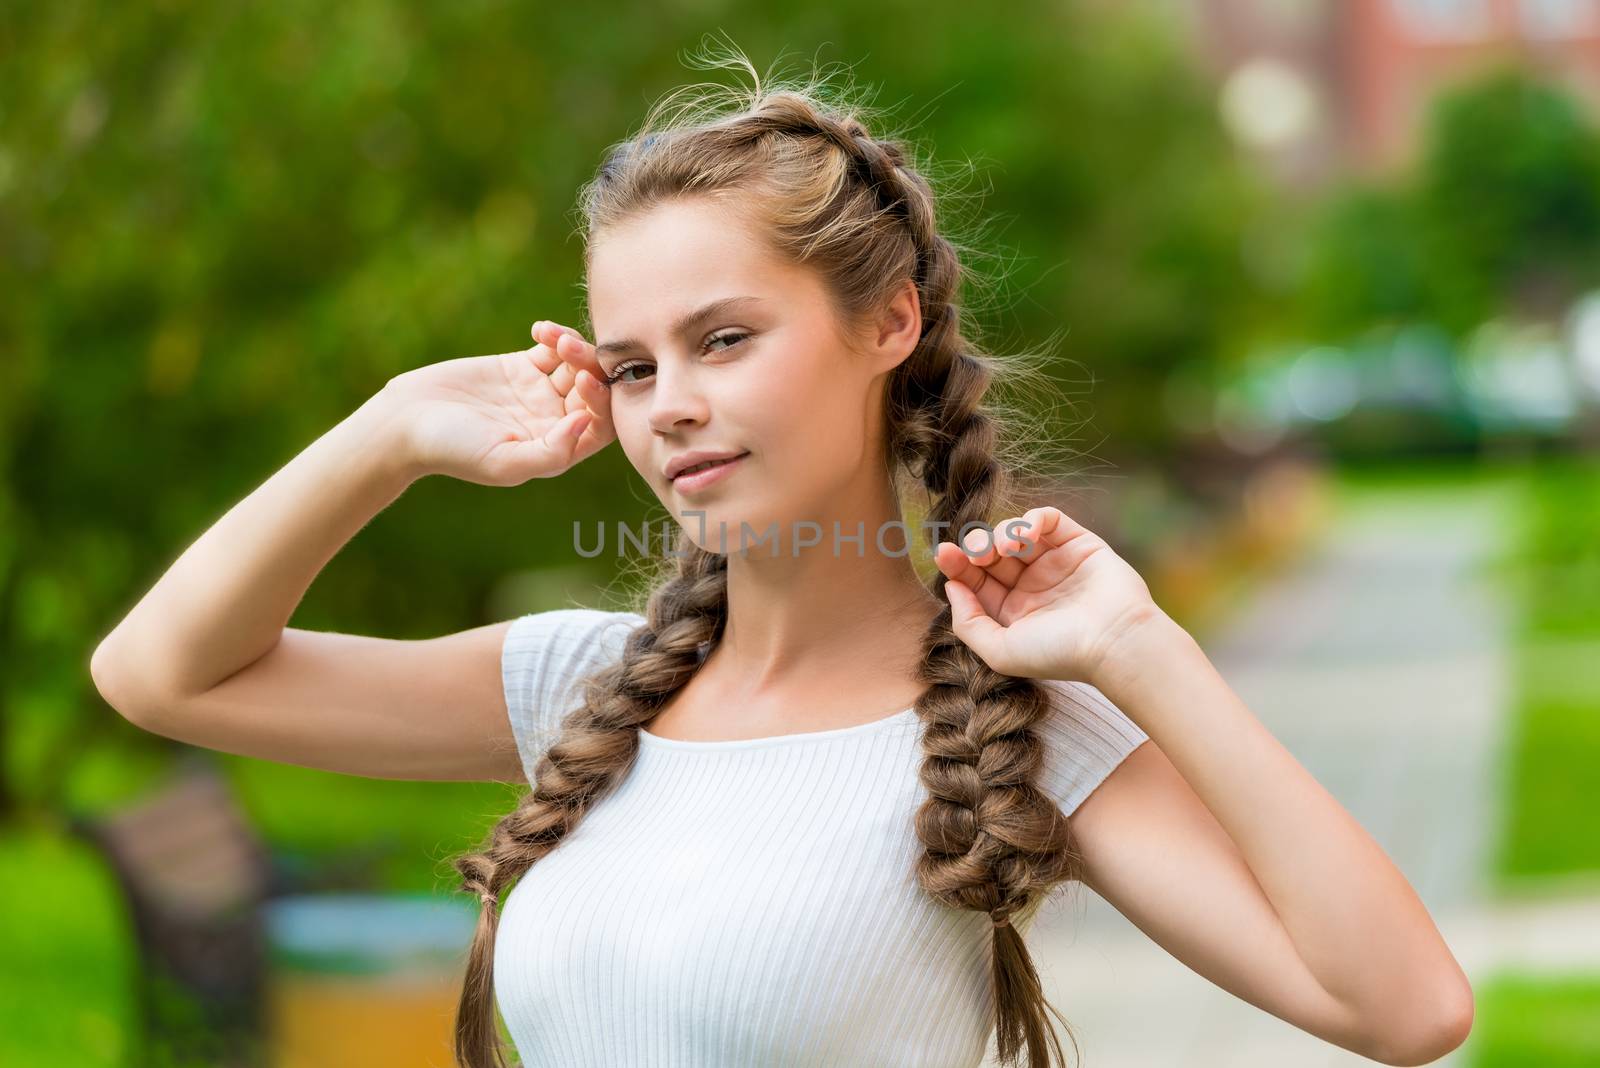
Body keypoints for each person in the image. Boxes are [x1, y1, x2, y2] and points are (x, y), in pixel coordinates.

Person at [91, 48, 1474, 1068]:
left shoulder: (1012, 715)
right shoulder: (586, 685)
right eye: (631, 365)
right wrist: (386, 434)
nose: (669, 402)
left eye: (724, 338)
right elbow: (160, 675)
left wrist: (1141, 651)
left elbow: (1405, 1010)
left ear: (887, 325)